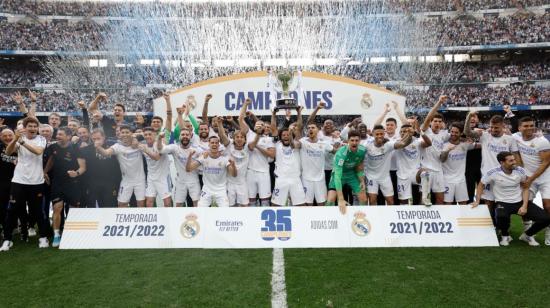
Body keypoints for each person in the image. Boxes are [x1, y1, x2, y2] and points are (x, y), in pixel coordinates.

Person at [472, 152, 550, 246]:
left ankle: (527, 235)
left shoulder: (520, 171)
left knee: (546, 218)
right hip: (503, 202)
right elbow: (481, 185)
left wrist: (524, 205)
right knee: (501, 216)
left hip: (519, 202)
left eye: (514, 159)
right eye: (511, 160)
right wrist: (477, 200)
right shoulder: (493, 172)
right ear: (502, 162)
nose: (514, 162)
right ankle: (505, 235)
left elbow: (525, 188)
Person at [1, 117, 50, 251]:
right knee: (12, 211)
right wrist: (15, 139)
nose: (33, 128)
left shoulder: (41, 139)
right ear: (25, 127)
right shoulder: (19, 138)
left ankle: (43, 237)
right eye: (30, 126)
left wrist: (22, 142)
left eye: (35, 126)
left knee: (38, 211)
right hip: (19, 181)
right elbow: (8, 152)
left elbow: (38, 151)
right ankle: (7, 239)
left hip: (36, 181)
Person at [464, 113, 519, 215]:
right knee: (488, 203)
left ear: (503, 126)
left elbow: (516, 157)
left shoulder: (510, 139)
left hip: (504, 176)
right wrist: (468, 117)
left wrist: (518, 171)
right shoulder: (484, 135)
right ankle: (491, 226)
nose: (493, 129)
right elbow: (467, 132)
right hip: (487, 175)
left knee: (503, 202)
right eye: (491, 127)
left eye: (496, 127)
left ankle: (502, 227)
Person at [43, 127, 86, 247]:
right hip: (57, 183)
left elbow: (83, 167)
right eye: (57, 134)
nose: (57, 136)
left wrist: (76, 173)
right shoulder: (52, 147)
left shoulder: (76, 148)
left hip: (73, 184)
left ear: (68, 136)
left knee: (73, 210)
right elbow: (51, 160)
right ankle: (56, 235)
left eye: (60, 134)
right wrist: (45, 171)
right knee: (57, 208)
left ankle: (72, 233)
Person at [513, 117, 550, 245]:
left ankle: (548, 234)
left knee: (548, 206)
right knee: (526, 204)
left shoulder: (542, 141)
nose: (529, 128)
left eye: (531, 125)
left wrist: (531, 179)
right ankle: (528, 233)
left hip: (545, 177)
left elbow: (546, 163)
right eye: (526, 126)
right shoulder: (515, 137)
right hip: (528, 177)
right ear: (519, 128)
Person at [94, 125, 146, 207]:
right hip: (126, 181)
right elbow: (106, 153)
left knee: (141, 205)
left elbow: (147, 134)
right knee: (121, 204)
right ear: (120, 134)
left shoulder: (138, 144)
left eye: (127, 132)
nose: (125, 134)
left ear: (131, 133)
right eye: (122, 132)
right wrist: (98, 147)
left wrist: (136, 138)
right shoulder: (117, 146)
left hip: (140, 180)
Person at [365, 124, 413, 205]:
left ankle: (390, 218)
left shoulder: (388, 145)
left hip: (385, 178)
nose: (379, 136)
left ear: (384, 134)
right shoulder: (367, 145)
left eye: (381, 134)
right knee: (372, 201)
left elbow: (403, 143)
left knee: (391, 201)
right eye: (377, 134)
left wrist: (410, 135)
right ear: (373, 134)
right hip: (371, 177)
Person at [239, 98, 275, 207]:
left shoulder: (269, 139)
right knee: (251, 200)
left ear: (265, 128)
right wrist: (245, 104)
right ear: (254, 126)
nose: (259, 126)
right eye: (257, 124)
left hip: (264, 172)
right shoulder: (249, 134)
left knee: (265, 201)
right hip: (250, 172)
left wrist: (257, 146)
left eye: (261, 125)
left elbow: (272, 155)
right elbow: (240, 119)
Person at [186, 136, 236, 207]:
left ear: (219, 145)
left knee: (225, 212)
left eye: (216, 143)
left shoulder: (224, 158)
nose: (214, 144)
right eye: (212, 143)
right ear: (209, 144)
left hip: (221, 190)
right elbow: (189, 169)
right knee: (200, 211)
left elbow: (233, 174)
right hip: (207, 190)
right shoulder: (203, 157)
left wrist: (233, 165)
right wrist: (190, 156)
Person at [327, 130, 368, 214]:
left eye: (357, 140)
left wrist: (362, 180)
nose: (354, 143)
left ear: (360, 141)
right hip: (339, 175)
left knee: (364, 198)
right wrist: (341, 199)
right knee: (330, 200)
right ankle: (328, 219)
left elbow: (359, 166)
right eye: (352, 140)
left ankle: (361, 219)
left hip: (352, 174)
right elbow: (337, 176)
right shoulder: (341, 153)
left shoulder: (362, 150)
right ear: (348, 141)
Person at [159, 128, 202, 207]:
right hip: (180, 181)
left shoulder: (198, 150)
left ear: (190, 136)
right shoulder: (175, 148)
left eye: (187, 135)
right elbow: (161, 150)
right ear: (179, 137)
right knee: (178, 205)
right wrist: (159, 139)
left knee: (197, 204)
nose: (185, 136)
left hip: (194, 181)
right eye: (182, 135)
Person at [419, 96, 449, 205]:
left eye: (439, 121)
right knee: (424, 199)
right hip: (427, 170)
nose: (437, 123)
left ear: (442, 124)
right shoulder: (427, 132)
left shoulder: (444, 135)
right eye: (435, 121)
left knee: (440, 199)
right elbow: (428, 118)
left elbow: (457, 136)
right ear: (431, 122)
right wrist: (439, 102)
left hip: (439, 171)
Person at [298, 122, 336, 206]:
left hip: (320, 179)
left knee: (322, 203)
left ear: (318, 130)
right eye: (308, 128)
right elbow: (295, 144)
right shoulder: (302, 142)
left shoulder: (324, 143)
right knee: (308, 204)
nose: (310, 129)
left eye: (313, 127)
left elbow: (336, 152)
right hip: (306, 178)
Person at [440, 123, 478, 205]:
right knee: (447, 204)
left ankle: (462, 218)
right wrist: (447, 151)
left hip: (461, 180)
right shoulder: (444, 145)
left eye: (456, 132)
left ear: (461, 133)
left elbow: (481, 145)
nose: (453, 134)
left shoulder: (465, 144)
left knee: (463, 203)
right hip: (447, 180)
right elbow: (442, 159)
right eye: (452, 132)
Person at [394, 124, 432, 205]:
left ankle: (425, 198)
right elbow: (403, 143)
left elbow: (429, 143)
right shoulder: (396, 141)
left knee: (425, 172)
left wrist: (420, 132)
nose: (403, 133)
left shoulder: (417, 141)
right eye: (402, 132)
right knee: (403, 202)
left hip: (415, 173)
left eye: (406, 131)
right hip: (402, 175)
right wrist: (409, 135)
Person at [84, 129, 120, 208]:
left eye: (98, 138)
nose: (96, 141)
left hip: (109, 183)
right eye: (94, 139)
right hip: (93, 183)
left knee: (110, 207)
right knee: (92, 208)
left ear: (104, 137)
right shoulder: (86, 150)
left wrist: (116, 183)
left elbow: (117, 167)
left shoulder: (112, 147)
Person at [218, 119, 250, 207]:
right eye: (237, 137)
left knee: (245, 206)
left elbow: (247, 129)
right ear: (234, 139)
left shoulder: (248, 148)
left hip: (242, 183)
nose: (239, 139)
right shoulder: (229, 146)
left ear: (245, 140)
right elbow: (222, 135)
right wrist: (220, 123)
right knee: (230, 207)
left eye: (242, 137)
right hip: (230, 183)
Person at [141, 127, 172, 208]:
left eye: (150, 134)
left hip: (163, 177)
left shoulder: (160, 145)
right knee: (149, 203)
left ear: (155, 135)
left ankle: (169, 220)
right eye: (145, 135)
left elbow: (157, 157)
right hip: (151, 178)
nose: (147, 136)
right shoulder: (143, 145)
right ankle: (151, 220)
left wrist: (146, 150)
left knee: (167, 203)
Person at [0, 127, 16, 238]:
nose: (7, 137)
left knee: (16, 207)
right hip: (2, 183)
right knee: (2, 207)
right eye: (4, 136)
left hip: (17, 182)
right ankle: (5, 229)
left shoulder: (19, 147)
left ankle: (16, 228)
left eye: (10, 135)